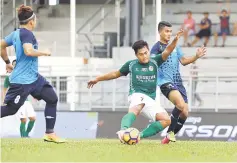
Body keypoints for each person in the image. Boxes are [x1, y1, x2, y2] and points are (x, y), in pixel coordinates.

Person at [87, 30, 184, 142]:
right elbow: (115, 74)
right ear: (136, 55)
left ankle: (138, 136)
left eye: (146, 52)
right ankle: (123, 130)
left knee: (166, 120)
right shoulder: (131, 64)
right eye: (141, 54)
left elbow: (168, 51)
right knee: (136, 108)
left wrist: (175, 40)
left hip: (150, 99)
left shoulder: (155, 61)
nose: (144, 56)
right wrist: (97, 79)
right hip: (136, 94)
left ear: (148, 51)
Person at [0, 4, 65, 143]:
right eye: (35, 19)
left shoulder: (16, 33)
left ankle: (49, 133)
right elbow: (28, 51)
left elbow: (1, 44)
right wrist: (44, 52)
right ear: (31, 21)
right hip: (22, 81)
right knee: (10, 110)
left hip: (34, 78)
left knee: (52, 98)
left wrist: (7, 62)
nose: (35, 22)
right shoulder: (26, 34)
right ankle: (49, 133)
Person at [150, 21, 206, 144]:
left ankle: (166, 140)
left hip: (177, 82)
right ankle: (170, 132)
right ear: (160, 32)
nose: (169, 34)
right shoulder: (156, 48)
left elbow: (184, 61)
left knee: (185, 112)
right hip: (165, 81)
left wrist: (196, 56)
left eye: (170, 31)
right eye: (166, 31)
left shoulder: (176, 47)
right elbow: (152, 64)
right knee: (180, 105)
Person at [2, 59, 36, 138]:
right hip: (16, 102)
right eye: (14, 65)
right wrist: (4, 100)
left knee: (32, 118)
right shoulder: (9, 78)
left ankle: (26, 134)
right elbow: (4, 90)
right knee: (23, 119)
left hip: (26, 101)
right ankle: (23, 138)